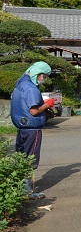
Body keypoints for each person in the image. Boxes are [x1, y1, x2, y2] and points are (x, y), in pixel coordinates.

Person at [10, 61, 55, 199]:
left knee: (21, 158)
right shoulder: (31, 88)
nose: (44, 79)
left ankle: (18, 189)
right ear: (38, 74)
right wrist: (47, 104)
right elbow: (34, 111)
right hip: (32, 129)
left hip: (21, 127)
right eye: (44, 76)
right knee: (30, 159)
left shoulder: (20, 84)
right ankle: (26, 191)